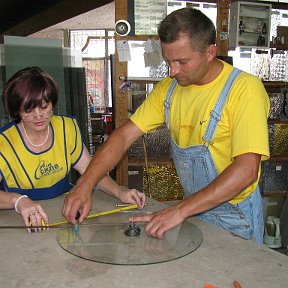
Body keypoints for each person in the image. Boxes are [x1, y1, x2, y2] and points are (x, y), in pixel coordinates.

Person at [62, 8, 270, 244]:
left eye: (182, 61)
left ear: (210, 52)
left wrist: (180, 210)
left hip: (235, 218)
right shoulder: (168, 90)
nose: (172, 71)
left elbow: (246, 170)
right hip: (193, 209)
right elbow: (122, 137)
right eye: (168, 61)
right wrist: (85, 184)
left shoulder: (244, 90)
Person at [0, 66, 145, 232]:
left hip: (64, 215)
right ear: (17, 109)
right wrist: (18, 201)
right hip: (18, 222)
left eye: (44, 106)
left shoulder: (66, 129)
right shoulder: (3, 142)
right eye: (29, 109)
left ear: (52, 103)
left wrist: (120, 192)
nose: (38, 115)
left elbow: (90, 170)